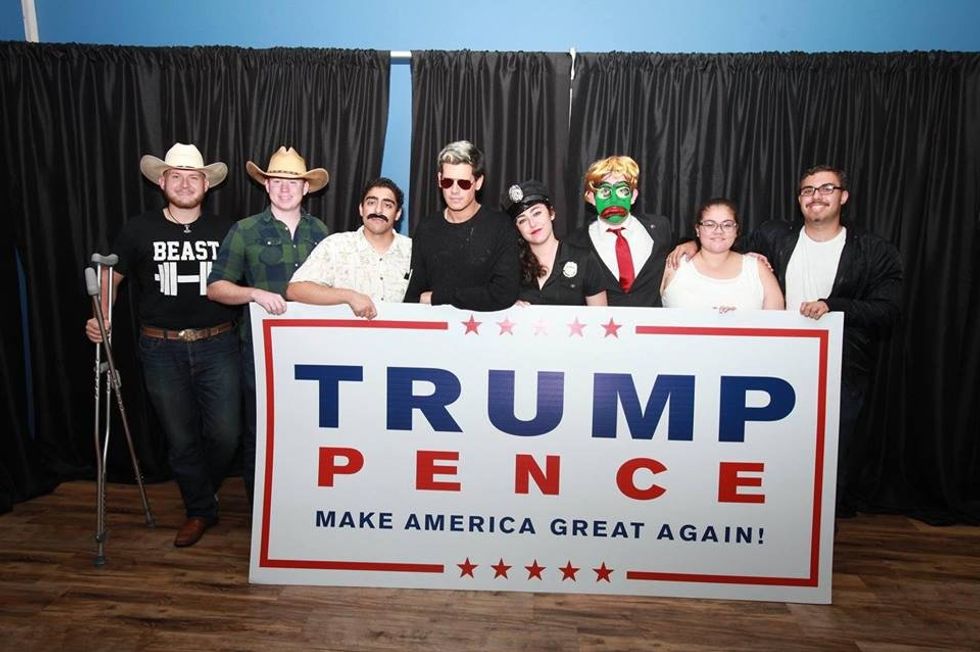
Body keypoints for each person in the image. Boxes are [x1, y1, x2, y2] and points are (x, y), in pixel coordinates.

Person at [669, 165, 903, 515]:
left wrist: (833, 306)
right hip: (777, 371)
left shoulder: (873, 250)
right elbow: (721, 240)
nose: (816, 196)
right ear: (799, 199)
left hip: (838, 370)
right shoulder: (774, 236)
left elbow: (888, 311)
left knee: (828, 457)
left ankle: (821, 530)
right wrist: (689, 244)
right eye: (808, 190)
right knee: (773, 455)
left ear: (843, 197)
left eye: (826, 188)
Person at [85, 142, 240, 547]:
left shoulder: (227, 230)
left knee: (226, 434)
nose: (185, 184)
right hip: (160, 348)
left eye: (193, 177)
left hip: (218, 344)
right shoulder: (138, 229)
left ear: (206, 184)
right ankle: (200, 509)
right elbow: (111, 277)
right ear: (162, 181)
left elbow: (249, 279)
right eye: (177, 176)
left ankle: (202, 490)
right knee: (180, 437)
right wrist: (102, 316)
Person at [207, 146, 329, 504]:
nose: (285, 188)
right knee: (260, 429)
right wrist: (254, 293)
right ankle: (261, 510)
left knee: (308, 427)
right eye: (277, 181)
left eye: (293, 182)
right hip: (262, 352)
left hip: (313, 352)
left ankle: (303, 502)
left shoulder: (320, 232)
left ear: (306, 188)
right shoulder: (244, 230)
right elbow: (216, 287)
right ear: (266, 185)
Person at [403, 140, 519, 311]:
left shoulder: (500, 226)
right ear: (439, 180)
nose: (454, 190)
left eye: (463, 183)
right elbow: (413, 295)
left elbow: (504, 293)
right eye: (448, 182)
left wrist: (438, 297)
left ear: (478, 182)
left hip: (486, 326)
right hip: (436, 326)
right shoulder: (427, 227)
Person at [286, 177, 411, 318]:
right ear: (361, 209)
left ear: (398, 214)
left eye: (387, 205)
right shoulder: (336, 246)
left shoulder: (412, 251)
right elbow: (295, 290)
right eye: (371, 202)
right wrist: (348, 296)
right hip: (344, 332)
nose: (378, 210)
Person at [565, 155, 674, 306]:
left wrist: (692, 245)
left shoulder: (660, 228)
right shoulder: (575, 243)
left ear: (633, 196)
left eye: (622, 191)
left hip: (652, 321)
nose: (614, 200)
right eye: (605, 192)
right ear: (591, 198)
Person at [661, 198, 784, 311]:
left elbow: (776, 323)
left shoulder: (758, 269)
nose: (719, 231)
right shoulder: (673, 265)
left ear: (736, 231)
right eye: (710, 224)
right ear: (698, 230)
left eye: (727, 225)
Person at [502, 179, 606, 306]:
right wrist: (509, 310)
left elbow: (600, 316)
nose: (532, 224)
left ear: (551, 213)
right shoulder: (508, 266)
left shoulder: (584, 260)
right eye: (522, 220)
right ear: (517, 228)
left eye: (537, 213)